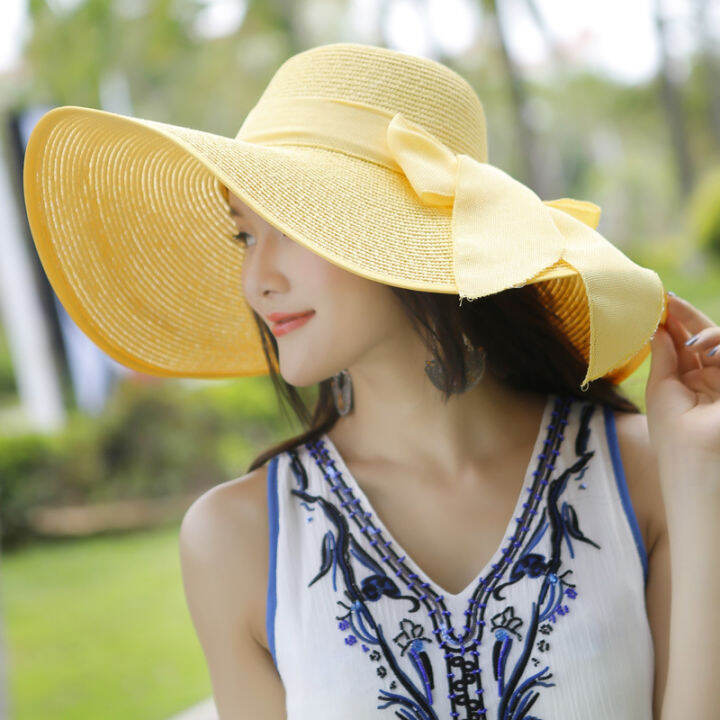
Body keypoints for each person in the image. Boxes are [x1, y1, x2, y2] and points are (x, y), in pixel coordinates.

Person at [23, 43, 671, 719]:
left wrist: (705, 474)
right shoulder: (238, 539)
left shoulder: (646, 473)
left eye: (291, 227)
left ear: (405, 239)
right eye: (245, 235)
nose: (257, 279)